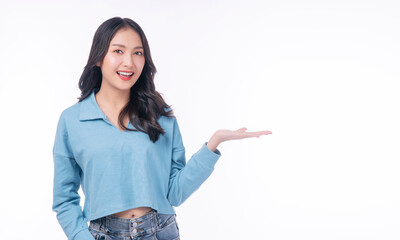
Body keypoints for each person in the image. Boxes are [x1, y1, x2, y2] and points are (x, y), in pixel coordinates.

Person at [52, 16, 272, 240]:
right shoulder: (72, 120)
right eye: (118, 51)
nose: (129, 62)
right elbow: (64, 199)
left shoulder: (160, 117)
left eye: (138, 53)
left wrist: (213, 144)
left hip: (160, 231)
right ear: (98, 57)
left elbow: (175, 193)